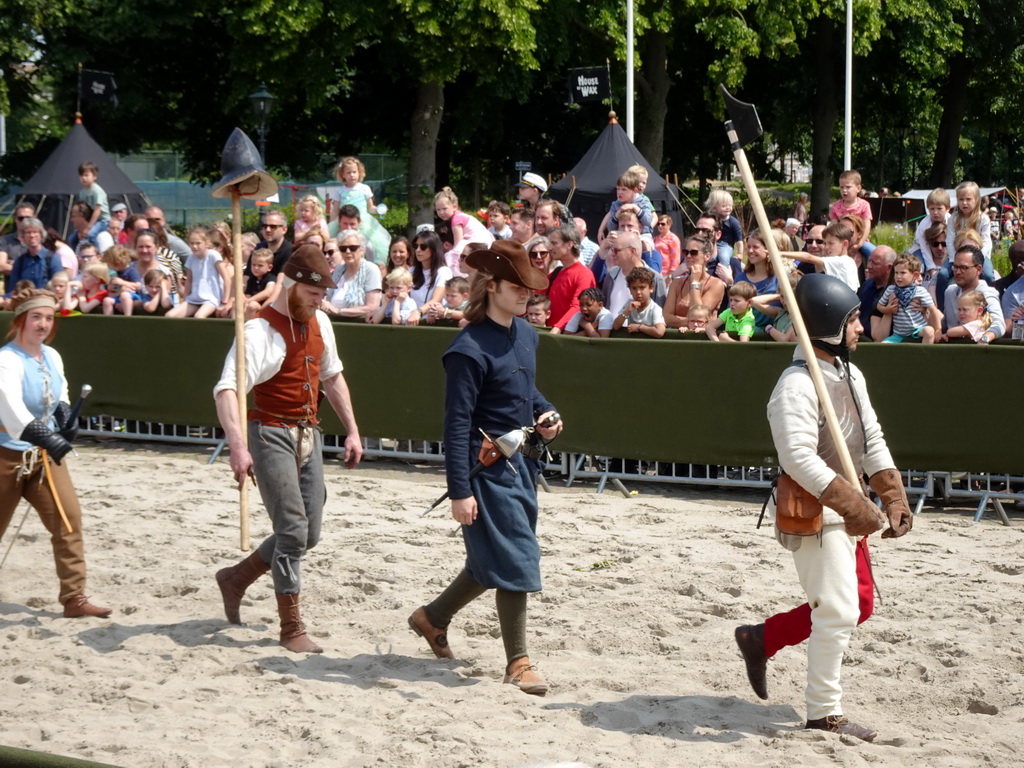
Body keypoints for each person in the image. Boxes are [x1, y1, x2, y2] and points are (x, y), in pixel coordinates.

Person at [734, 273, 913, 742]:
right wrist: (852, 503)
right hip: (815, 509)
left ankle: (761, 638)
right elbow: (797, 457)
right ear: (831, 324)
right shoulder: (795, 384)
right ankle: (824, 713)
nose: (860, 328)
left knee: (861, 604)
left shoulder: (850, 374)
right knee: (837, 608)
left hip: (848, 504)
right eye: (853, 320)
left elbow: (869, 437)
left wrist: (891, 492)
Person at [407, 240, 562, 695]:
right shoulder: (466, 348)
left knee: (490, 560)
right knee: (515, 555)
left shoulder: (528, 334)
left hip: (524, 466)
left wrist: (547, 414)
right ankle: (518, 661)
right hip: (484, 472)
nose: (527, 295)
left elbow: (526, 394)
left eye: (530, 288)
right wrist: (459, 491)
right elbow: (455, 426)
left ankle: (431, 618)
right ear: (491, 286)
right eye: (518, 287)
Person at [213, 245, 363, 654]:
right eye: (314, 293)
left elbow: (332, 377)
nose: (319, 300)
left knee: (307, 532)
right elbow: (227, 390)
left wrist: (352, 430)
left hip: (308, 433)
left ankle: (237, 577)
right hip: (269, 431)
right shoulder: (258, 332)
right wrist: (238, 446)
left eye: (322, 295)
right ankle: (291, 626)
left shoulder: (322, 323)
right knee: (293, 530)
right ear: (293, 284)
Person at [0, 288, 112, 618]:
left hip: (43, 458)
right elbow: (11, 411)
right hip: (6, 454)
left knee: (68, 520)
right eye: (36, 317)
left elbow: (60, 394)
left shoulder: (52, 356)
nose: (43, 324)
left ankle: (74, 597)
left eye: (49, 318)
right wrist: (49, 438)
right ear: (21, 319)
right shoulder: (6, 359)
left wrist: (66, 420)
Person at [941, 244, 1005, 343]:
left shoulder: (987, 294)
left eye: (963, 268)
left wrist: (985, 338)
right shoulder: (949, 292)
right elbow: (945, 323)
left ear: (978, 269)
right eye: (955, 267)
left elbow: (999, 324)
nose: (957, 272)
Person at [166, 227, 230, 319]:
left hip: (211, 299)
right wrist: (185, 299)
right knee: (169, 316)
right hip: (194, 299)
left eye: (198, 243)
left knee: (199, 316)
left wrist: (224, 302)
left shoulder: (213, 255)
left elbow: (226, 279)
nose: (194, 246)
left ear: (207, 243)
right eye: (192, 243)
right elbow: (189, 281)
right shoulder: (191, 258)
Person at [876, 253, 941, 344]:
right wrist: (887, 309)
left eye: (903, 273)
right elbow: (879, 305)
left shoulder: (920, 291)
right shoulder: (891, 289)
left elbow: (933, 310)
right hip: (899, 333)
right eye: (896, 273)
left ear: (914, 275)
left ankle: (925, 356)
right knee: (883, 345)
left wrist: (938, 330)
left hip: (918, 328)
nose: (898, 276)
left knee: (929, 331)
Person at [663, 235, 725, 329]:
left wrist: (695, 282)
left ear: (707, 256)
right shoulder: (676, 283)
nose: (688, 256)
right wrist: (691, 323)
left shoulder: (716, 284)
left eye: (693, 252)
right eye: (686, 252)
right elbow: (667, 317)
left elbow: (700, 316)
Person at [546, 223, 596, 331]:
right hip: (551, 332)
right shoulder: (556, 273)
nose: (549, 248)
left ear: (569, 245)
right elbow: (537, 296)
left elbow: (578, 307)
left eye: (554, 243)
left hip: (567, 337)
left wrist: (557, 328)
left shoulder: (584, 274)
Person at [322, 230, 382, 320]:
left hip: (361, 326)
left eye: (353, 248)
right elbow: (328, 302)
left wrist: (339, 311)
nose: (348, 251)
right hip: (335, 323)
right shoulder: (338, 270)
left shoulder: (371, 269)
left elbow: (372, 307)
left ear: (362, 250)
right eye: (343, 248)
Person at [434, 187, 493, 275]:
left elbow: (458, 244)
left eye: (444, 209)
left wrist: (451, 253)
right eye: (438, 210)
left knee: (450, 257)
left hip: (478, 240)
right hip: (483, 240)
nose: (441, 212)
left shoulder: (456, 220)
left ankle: (456, 276)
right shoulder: (459, 216)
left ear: (454, 207)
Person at [5, 217, 62, 297]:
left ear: (41, 235)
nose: (32, 235)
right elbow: (13, 290)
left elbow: (60, 287)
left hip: (45, 302)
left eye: (35, 232)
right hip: (23, 303)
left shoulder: (52, 259)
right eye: (28, 232)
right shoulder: (20, 261)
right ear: (23, 237)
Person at [406, 231, 452, 324]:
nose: (418, 250)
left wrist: (418, 311)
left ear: (434, 249)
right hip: (410, 320)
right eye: (416, 246)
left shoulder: (444, 271)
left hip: (433, 323)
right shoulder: (411, 270)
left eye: (423, 247)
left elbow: (436, 300)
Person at [612, 267, 666, 337]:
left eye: (642, 287)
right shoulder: (630, 304)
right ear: (630, 290)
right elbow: (616, 326)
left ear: (651, 288)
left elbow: (659, 332)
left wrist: (639, 327)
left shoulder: (654, 309)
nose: (638, 292)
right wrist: (628, 311)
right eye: (634, 288)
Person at [68, 162, 109, 249]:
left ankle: (97, 253)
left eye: (86, 175)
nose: (84, 178)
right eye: (81, 175)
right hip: (90, 219)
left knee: (91, 235)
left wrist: (88, 227)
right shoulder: (82, 192)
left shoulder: (97, 191)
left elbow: (97, 211)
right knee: (71, 239)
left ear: (94, 176)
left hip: (102, 220)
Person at [856, 245, 895, 337]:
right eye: (869, 260)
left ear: (889, 267)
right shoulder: (867, 285)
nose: (869, 266)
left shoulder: (895, 291)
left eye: (875, 263)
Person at [912, 188, 951, 275]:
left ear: (948, 208)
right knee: (919, 267)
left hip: (941, 248)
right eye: (932, 209)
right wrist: (931, 268)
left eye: (939, 208)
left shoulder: (952, 222)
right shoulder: (924, 225)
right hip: (919, 247)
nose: (935, 212)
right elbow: (924, 248)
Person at [829, 170, 872, 241]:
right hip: (841, 240)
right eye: (841, 187)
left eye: (848, 187)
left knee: (873, 251)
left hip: (860, 239)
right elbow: (834, 226)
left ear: (858, 188)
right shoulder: (836, 206)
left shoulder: (864, 205)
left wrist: (860, 242)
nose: (844, 190)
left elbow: (867, 226)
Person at [706, 190, 745, 261]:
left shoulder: (733, 222)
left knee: (723, 257)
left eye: (730, 205)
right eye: (724, 206)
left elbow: (739, 240)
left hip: (725, 246)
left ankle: (725, 269)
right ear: (714, 208)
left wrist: (740, 253)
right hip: (711, 243)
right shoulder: (711, 219)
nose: (728, 208)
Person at [256, 209, 293, 276]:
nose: (267, 230)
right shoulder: (258, 249)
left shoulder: (291, 252)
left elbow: (283, 282)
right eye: (265, 226)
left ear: (284, 230)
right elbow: (247, 277)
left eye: (273, 227)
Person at [243, 248, 278, 317]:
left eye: (260, 265)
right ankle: (234, 326)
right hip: (250, 304)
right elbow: (248, 294)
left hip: (263, 308)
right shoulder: (251, 279)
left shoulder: (270, 278)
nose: (256, 268)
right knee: (237, 303)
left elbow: (268, 292)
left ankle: (248, 325)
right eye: (253, 265)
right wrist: (245, 301)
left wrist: (249, 300)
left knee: (252, 305)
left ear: (269, 267)